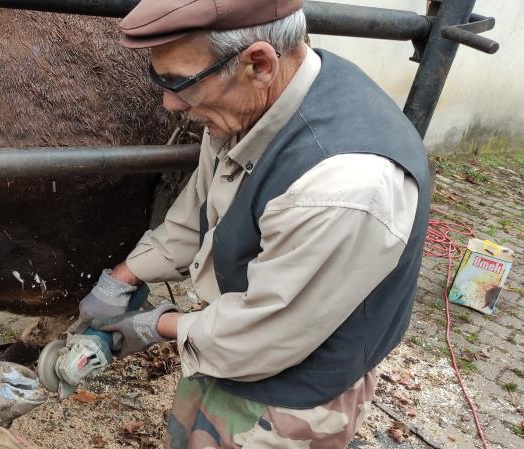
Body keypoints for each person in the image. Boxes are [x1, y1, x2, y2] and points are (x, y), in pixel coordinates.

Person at [76, 0, 432, 447]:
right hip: (225, 343)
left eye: (179, 83)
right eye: (160, 79)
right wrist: (122, 280)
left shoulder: (345, 185)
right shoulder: (246, 105)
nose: (169, 103)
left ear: (258, 63)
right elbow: (198, 211)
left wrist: (155, 326)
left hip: (293, 394)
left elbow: (263, 335)